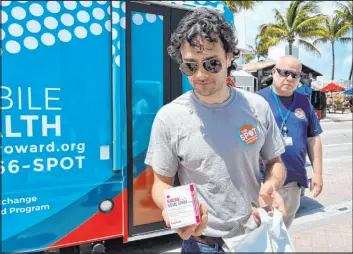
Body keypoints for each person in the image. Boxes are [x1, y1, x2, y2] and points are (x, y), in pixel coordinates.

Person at [145, 7, 288, 253]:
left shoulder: (257, 107)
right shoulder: (168, 117)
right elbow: (160, 182)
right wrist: (169, 207)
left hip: (254, 235)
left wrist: (272, 183)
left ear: (229, 57)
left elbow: (275, 161)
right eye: (190, 66)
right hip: (200, 243)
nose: (200, 74)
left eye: (211, 63)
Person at [256, 55, 323, 229]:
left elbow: (313, 138)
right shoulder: (257, 100)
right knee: (260, 234)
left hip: (293, 182)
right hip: (263, 182)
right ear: (273, 72)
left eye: (295, 75)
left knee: (282, 233)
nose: (289, 78)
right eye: (284, 72)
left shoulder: (304, 102)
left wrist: (317, 173)